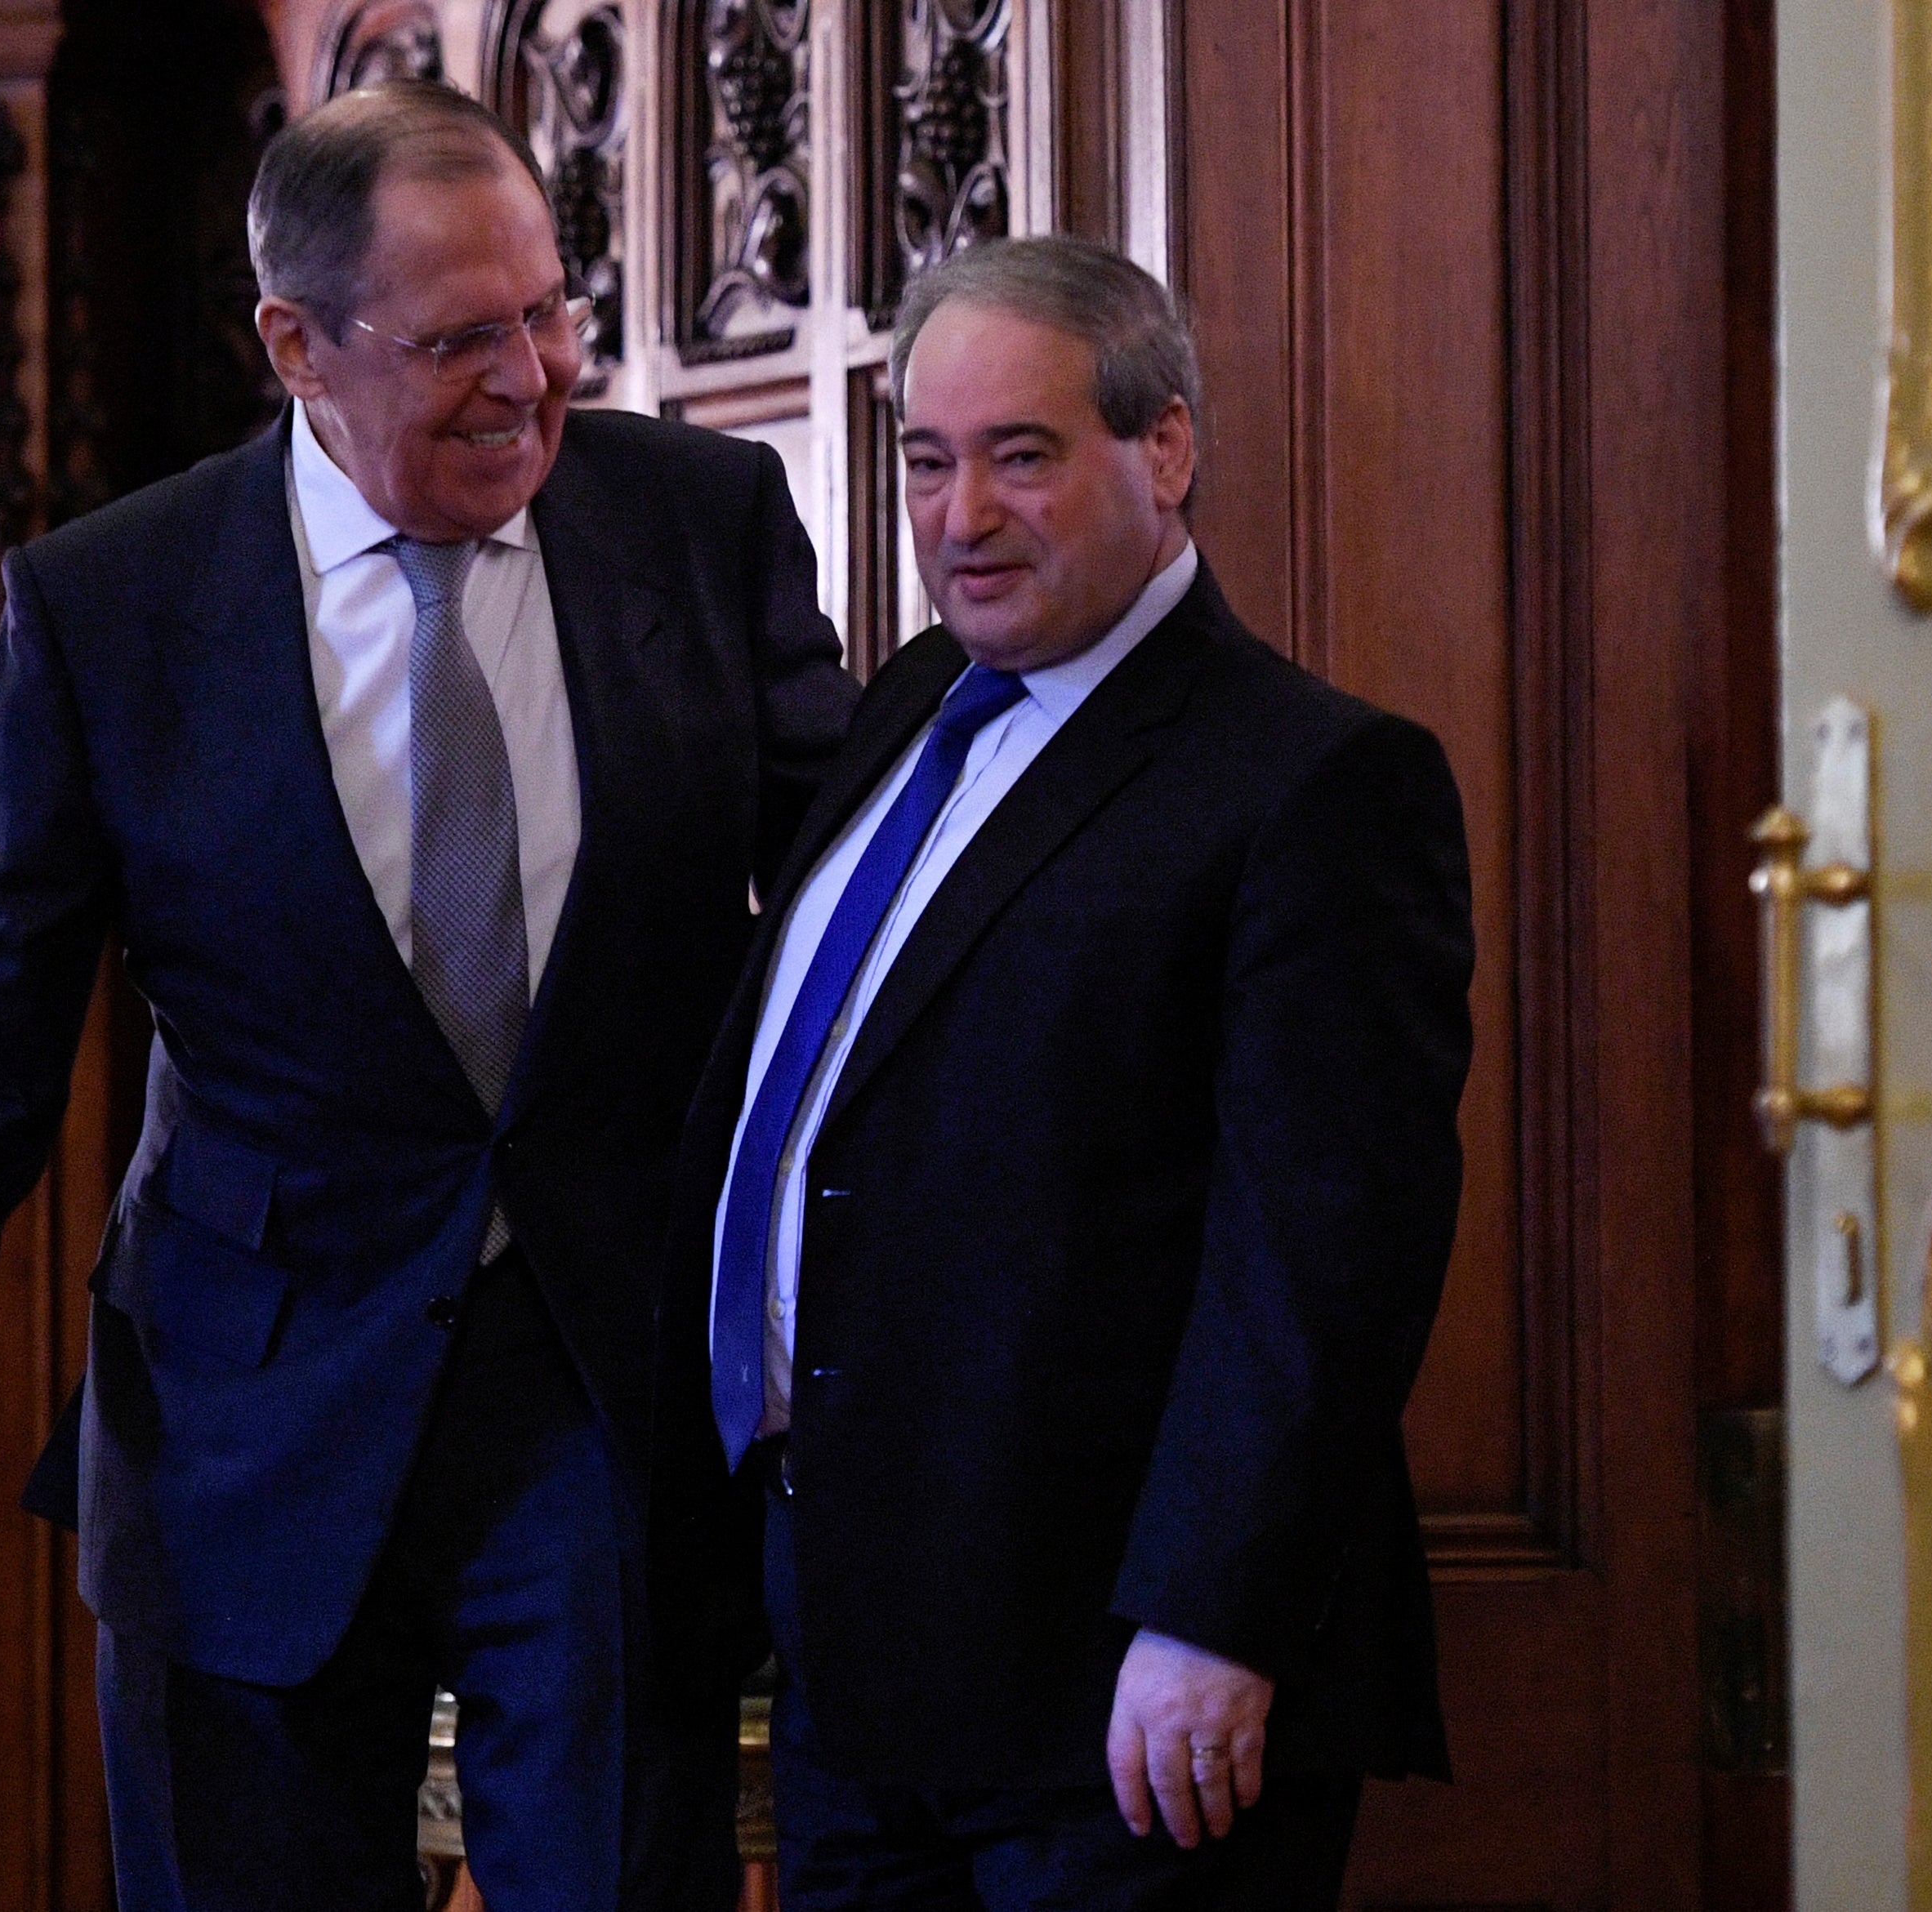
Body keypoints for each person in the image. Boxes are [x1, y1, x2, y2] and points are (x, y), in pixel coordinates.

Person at [0, 81, 856, 1912]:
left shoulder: (701, 517)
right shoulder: (115, 607)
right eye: (459, 340)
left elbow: (858, 929)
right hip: (239, 1417)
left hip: (598, 1397)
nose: (529, 380)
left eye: (549, 314)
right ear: (297, 344)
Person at [668, 235, 1473, 1910]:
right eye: (925, 459)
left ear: (1161, 448)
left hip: (1121, 1700)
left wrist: (1211, 1616)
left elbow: (1321, 1260)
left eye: (1019, 455)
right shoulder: (909, 708)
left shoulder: (1314, 782)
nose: (961, 516)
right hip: (857, 1657)